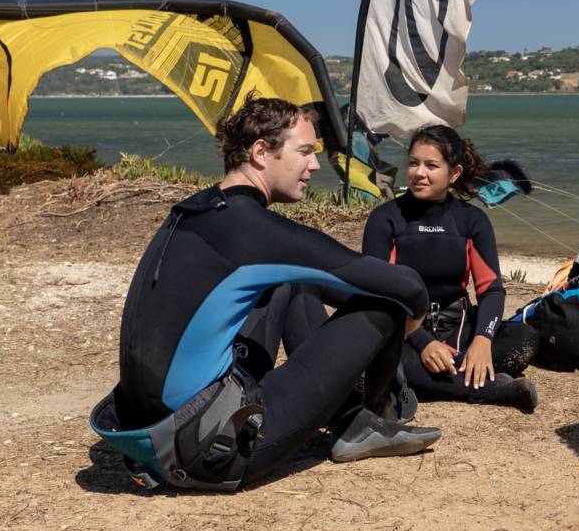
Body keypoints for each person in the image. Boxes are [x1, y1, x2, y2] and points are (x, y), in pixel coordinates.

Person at [90, 97, 440, 492]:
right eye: (305, 152)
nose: (314, 165)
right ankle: (374, 419)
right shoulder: (251, 228)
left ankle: (349, 416)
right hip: (210, 450)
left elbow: (328, 281)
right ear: (261, 152)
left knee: (292, 280)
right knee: (385, 304)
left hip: (151, 432)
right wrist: (408, 322)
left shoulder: (198, 211)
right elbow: (406, 285)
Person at [361, 125, 539, 411]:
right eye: (413, 163)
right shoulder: (386, 219)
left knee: (524, 339)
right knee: (378, 353)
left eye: (431, 165)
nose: (419, 173)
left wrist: (482, 339)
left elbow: (491, 289)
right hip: (403, 331)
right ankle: (489, 388)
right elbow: (380, 294)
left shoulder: (472, 221)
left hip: (456, 327)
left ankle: (439, 374)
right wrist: (423, 343)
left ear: (454, 173)